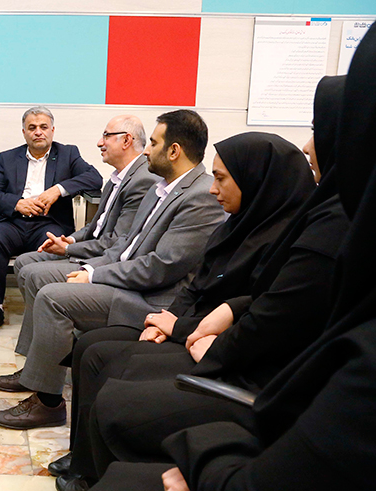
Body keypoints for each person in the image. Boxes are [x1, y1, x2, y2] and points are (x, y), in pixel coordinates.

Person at [85, 26, 376, 491]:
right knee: (96, 351)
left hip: (251, 378)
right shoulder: (297, 218)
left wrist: (186, 329)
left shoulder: (327, 228)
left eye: (319, 130)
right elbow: (241, 293)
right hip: (224, 348)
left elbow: (273, 316)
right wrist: (215, 315)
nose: (308, 146)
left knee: (109, 379)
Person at [57, 130, 327, 490]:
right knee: (90, 347)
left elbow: (256, 316)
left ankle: (91, 468)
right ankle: (84, 460)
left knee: (107, 367)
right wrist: (166, 323)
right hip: (193, 327)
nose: (213, 190)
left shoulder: (287, 239)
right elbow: (198, 286)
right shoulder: (236, 224)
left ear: (256, 181)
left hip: (222, 351)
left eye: (221, 179)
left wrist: (178, 327)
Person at [0, 110, 224, 430]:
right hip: (130, 280)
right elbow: (127, 244)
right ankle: (38, 373)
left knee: (52, 296)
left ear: (174, 151)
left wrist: (93, 273)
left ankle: (48, 403)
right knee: (38, 277)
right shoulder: (164, 187)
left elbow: (161, 267)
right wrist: (88, 265)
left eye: (153, 143)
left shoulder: (198, 196)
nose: (146, 150)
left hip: (154, 300)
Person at [0, 115, 157, 392]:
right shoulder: (118, 178)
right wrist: (70, 238)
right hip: (90, 249)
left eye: (106, 136)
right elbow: (96, 228)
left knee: (36, 276)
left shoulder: (141, 181)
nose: (99, 143)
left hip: (105, 263)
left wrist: (70, 249)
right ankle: (40, 357)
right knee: (24, 262)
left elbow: (115, 244)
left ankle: (41, 369)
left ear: (126, 140)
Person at [0, 106, 102, 336]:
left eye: (43, 127)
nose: (38, 132)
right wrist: (17, 203)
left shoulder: (68, 154)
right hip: (12, 222)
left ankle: (45, 308)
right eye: (32, 127)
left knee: (52, 245)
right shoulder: (8, 157)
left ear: (52, 130)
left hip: (48, 222)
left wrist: (58, 189)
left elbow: (94, 179)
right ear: (24, 132)